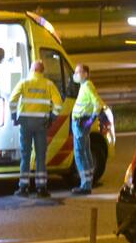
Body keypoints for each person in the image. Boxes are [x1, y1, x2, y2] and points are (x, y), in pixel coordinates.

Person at [9, 59, 63, 198]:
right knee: (40, 156)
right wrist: (52, 117)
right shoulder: (48, 84)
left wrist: (14, 116)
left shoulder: (24, 83)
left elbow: (12, 100)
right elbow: (58, 104)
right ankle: (41, 188)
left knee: (25, 155)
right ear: (42, 71)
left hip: (25, 123)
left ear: (32, 70)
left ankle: (23, 187)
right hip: (41, 124)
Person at [70, 63, 105, 195]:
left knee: (80, 153)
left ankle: (85, 185)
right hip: (81, 123)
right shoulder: (84, 86)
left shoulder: (88, 86)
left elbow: (98, 103)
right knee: (85, 152)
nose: (76, 75)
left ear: (86, 74)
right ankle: (88, 181)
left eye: (78, 72)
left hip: (80, 123)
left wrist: (91, 119)